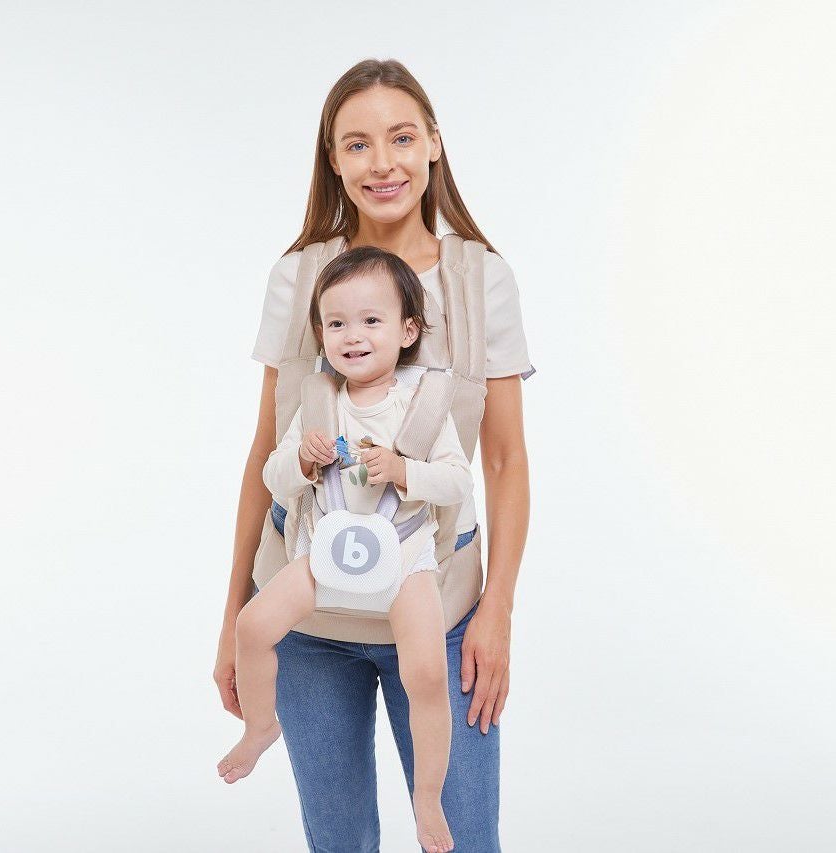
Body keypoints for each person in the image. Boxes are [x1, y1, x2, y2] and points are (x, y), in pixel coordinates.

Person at [214, 58, 535, 853]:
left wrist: (497, 609)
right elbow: (264, 449)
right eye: (356, 144)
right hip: (307, 612)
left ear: (433, 143)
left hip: (440, 606)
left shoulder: (480, 280)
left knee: (464, 837)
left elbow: (503, 460)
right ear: (332, 159)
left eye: (401, 137)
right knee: (339, 842)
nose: (381, 163)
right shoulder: (298, 276)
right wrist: (233, 617)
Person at [218, 246, 472, 853]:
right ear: (320, 333)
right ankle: (260, 727)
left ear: (408, 330)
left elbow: (458, 482)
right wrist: (303, 463)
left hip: (404, 558)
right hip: (325, 554)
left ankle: (428, 797)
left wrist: (405, 471)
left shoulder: (425, 403)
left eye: (371, 320)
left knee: (426, 674)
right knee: (252, 626)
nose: (352, 335)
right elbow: (273, 477)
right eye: (336, 323)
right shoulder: (318, 401)